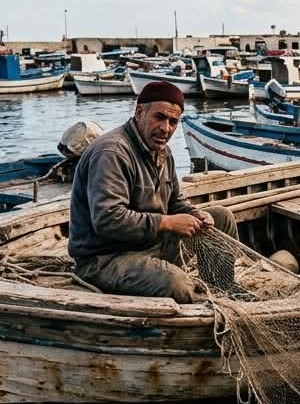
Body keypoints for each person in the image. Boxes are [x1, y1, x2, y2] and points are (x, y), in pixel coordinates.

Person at [68, 80, 238, 302]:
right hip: (106, 259)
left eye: (173, 122)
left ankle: (223, 288)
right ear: (139, 112)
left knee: (221, 217)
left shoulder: (162, 152)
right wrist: (166, 223)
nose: (166, 128)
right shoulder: (111, 153)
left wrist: (195, 214)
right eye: (159, 117)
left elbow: (176, 202)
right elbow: (107, 220)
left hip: (153, 244)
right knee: (179, 285)